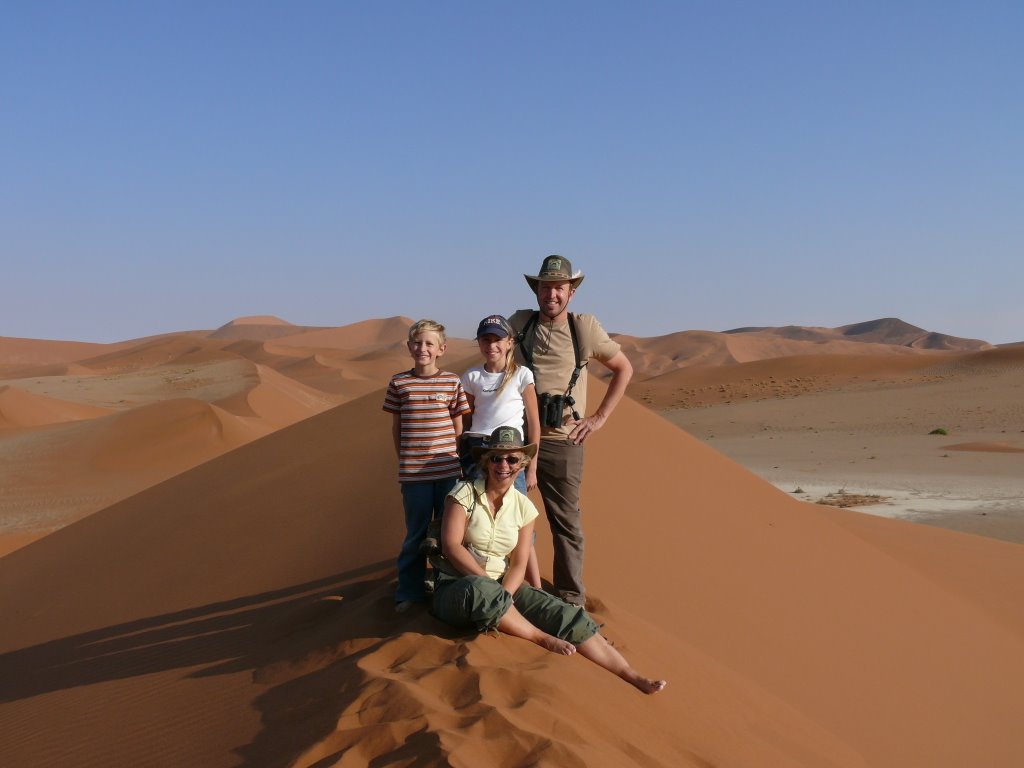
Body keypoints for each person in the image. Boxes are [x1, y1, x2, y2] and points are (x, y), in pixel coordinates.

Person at [432, 426, 666, 694]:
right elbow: (451, 546)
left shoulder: (524, 508)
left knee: (564, 613)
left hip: (503, 585)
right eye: (497, 457)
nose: (504, 465)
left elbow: (519, 564)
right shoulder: (464, 493)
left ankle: (632, 675)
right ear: (486, 461)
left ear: (522, 464)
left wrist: (505, 593)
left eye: (512, 459)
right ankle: (541, 637)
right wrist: (492, 588)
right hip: (457, 588)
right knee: (481, 591)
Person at [509, 255, 633, 607]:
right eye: (546, 287)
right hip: (517, 441)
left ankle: (569, 600)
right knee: (509, 517)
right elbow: (490, 348)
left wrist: (599, 418)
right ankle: (514, 589)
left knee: (566, 524)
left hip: (565, 440)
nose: (552, 294)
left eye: (559, 287)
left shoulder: (585, 328)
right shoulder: (519, 323)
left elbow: (623, 369)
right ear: (537, 290)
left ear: (571, 292)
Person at [383, 319, 471, 612]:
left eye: (429, 344)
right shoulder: (399, 383)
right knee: (416, 534)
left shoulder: (451, 382)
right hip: (414, 475)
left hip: (448, 473)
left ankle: (446, 587)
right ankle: (409, 592)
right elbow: (397, 428)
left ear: (441, 349)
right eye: (417, 343)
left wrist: (457, 461)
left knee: (449, 535)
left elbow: (459, 428)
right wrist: (406, 461)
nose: (423, 348)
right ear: (409, 347)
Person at [459, 314, 542, 588]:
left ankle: (535, 588)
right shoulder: (471, 377)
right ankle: (477, 579)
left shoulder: (521, 374)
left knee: (519, 522)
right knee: (474, 516)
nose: (491, 345)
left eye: (497, 339)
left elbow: (533, 423)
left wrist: (532, 466)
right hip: (479, 451)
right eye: (485, 339)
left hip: (511, 454)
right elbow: (467, 419)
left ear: (509, 342)